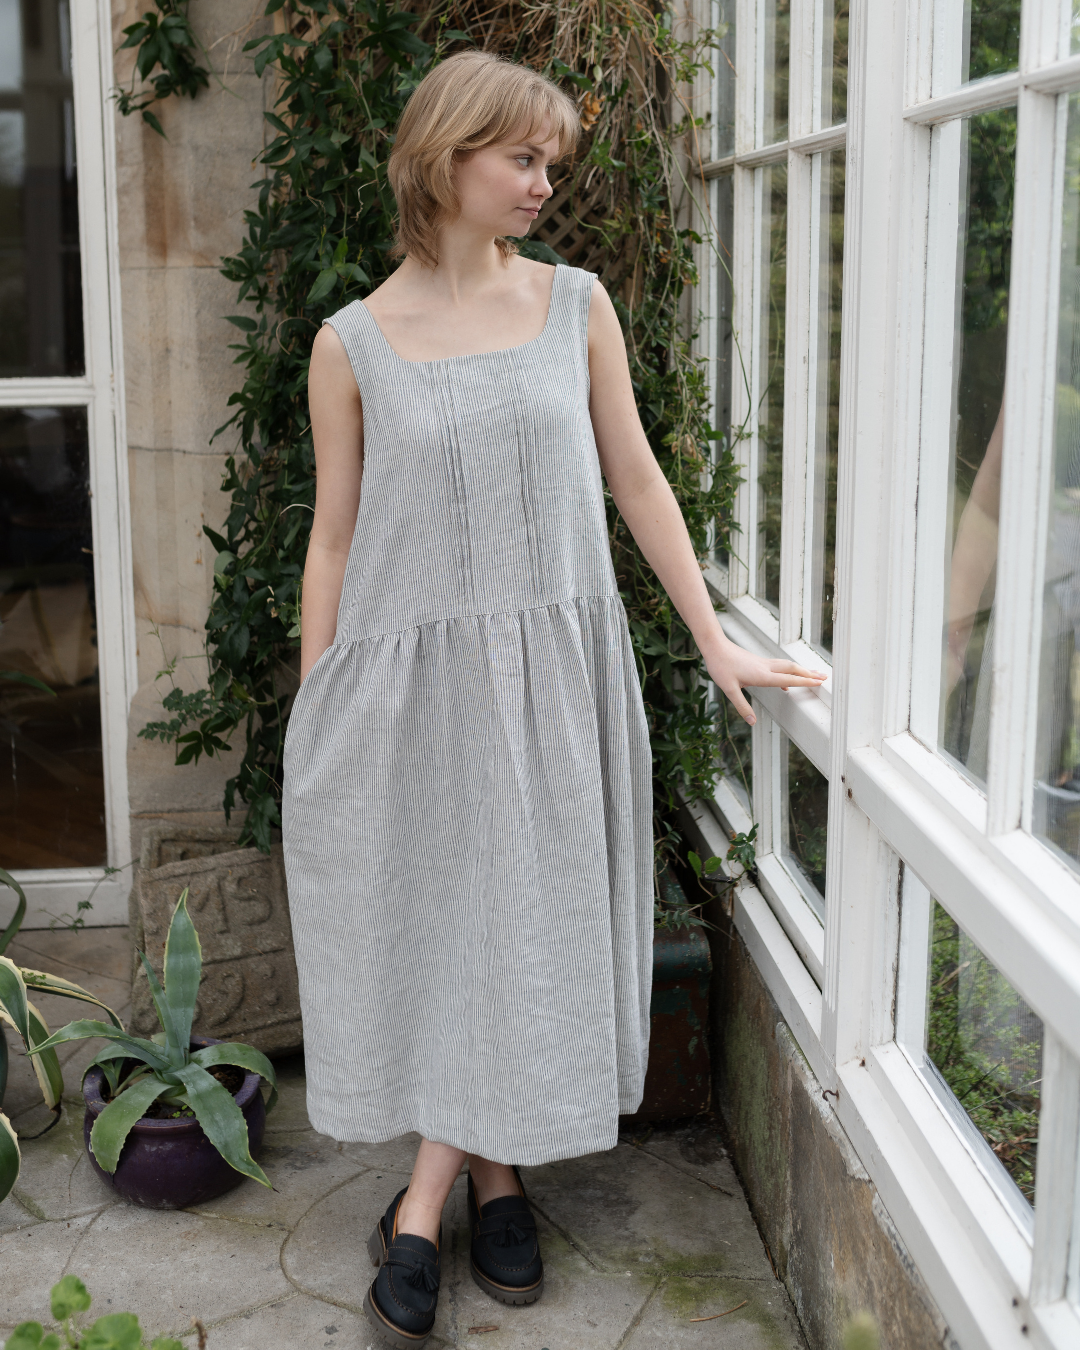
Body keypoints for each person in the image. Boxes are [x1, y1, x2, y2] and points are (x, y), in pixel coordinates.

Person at [281, 48, 825, 1349]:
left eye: (549, 163)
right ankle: (495, 1175)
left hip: (549, 678)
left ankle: (423, 1206)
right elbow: (334, 542)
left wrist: (710, 640)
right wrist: (319, 708)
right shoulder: (349, 343)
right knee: (449, 917)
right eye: (520, 158)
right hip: (407, 688)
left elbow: (636, 481)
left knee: (515, 914)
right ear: (444, 157)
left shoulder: (574, 306)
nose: (541, 183)